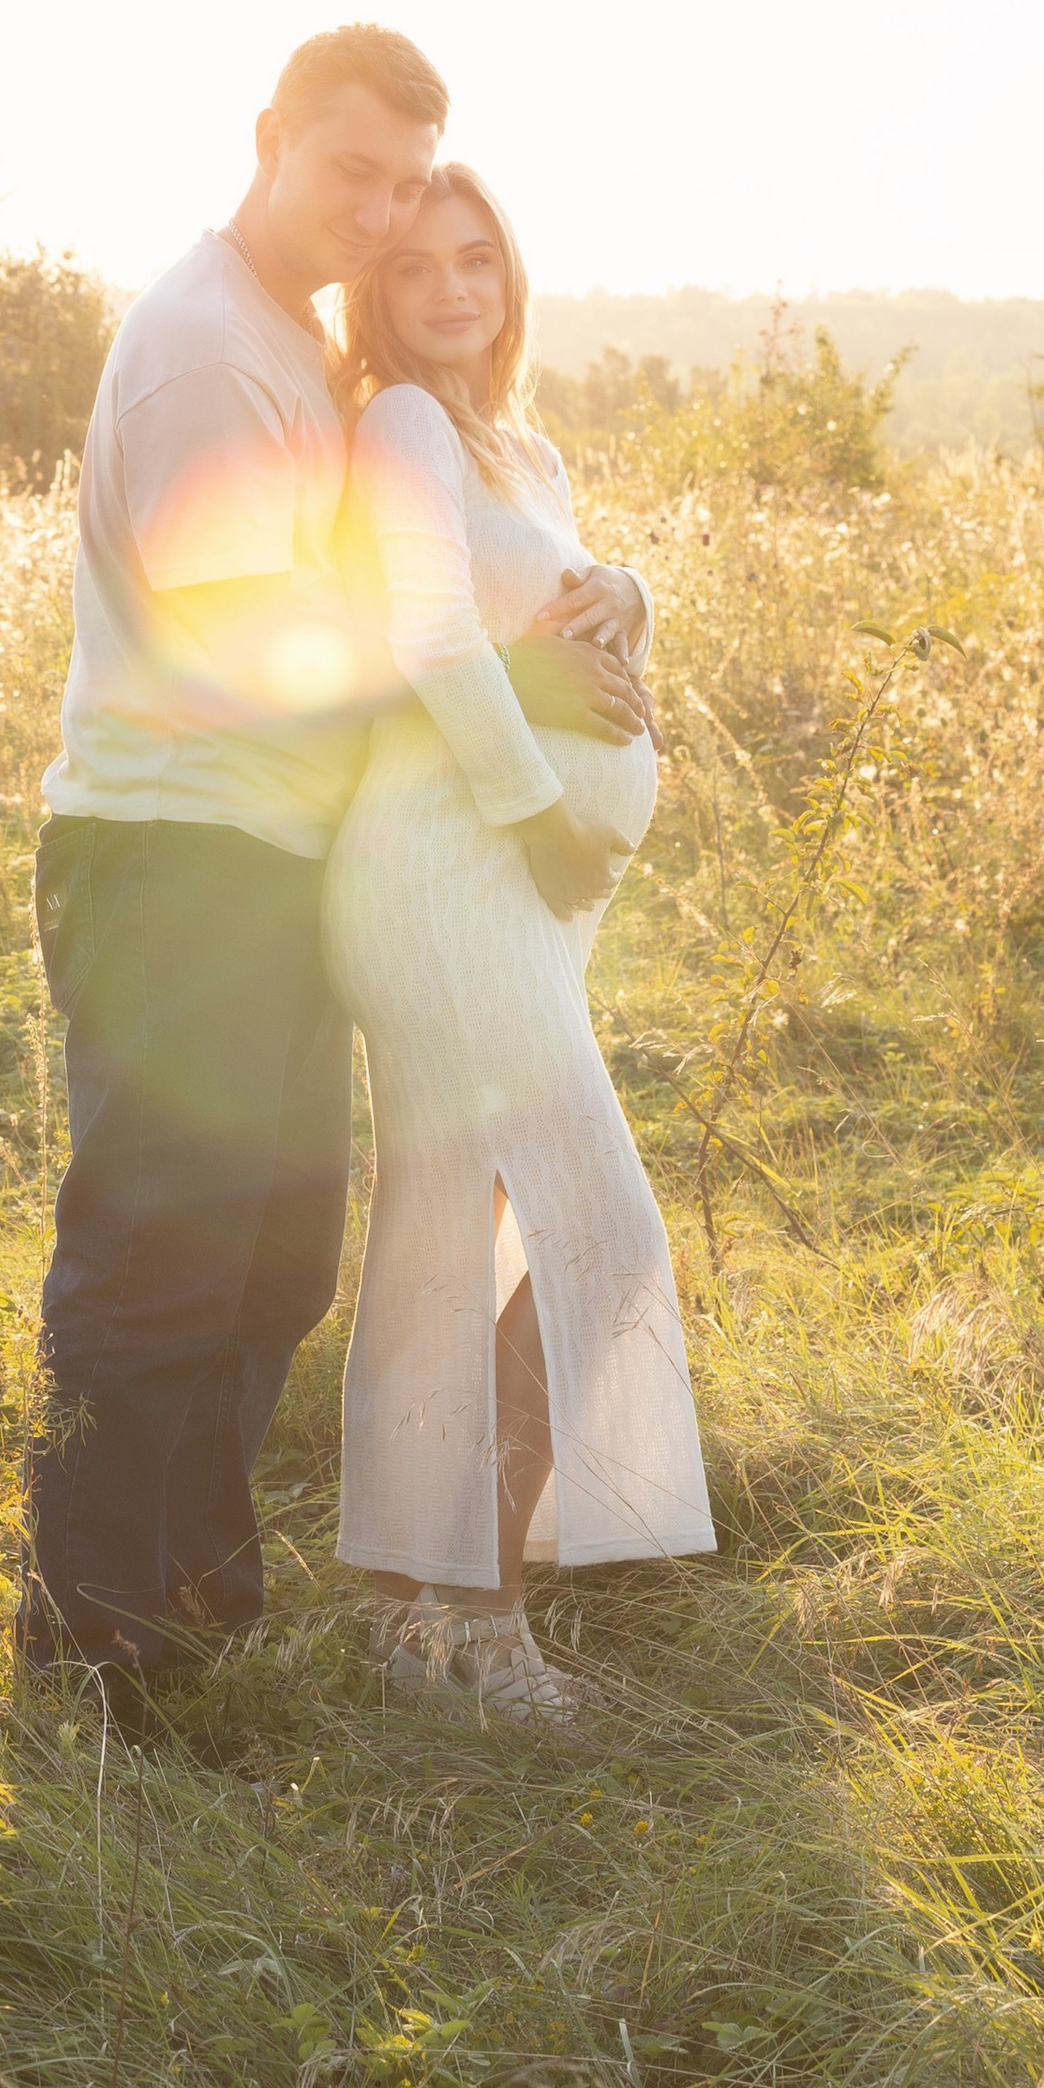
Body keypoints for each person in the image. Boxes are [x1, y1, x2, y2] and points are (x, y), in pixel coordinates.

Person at [22, 28, 655, 1715]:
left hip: (276, 861)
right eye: (353, 175)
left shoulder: (295, 343)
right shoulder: (203, 356)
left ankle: (198, 1629)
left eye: (407, 181)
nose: (381, 215)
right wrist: (502, 692)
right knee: (162, 1263)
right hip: (174, 855)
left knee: (271, 1265)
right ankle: (95, 1663)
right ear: (270, 141)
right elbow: (249, 655)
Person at [324, 164, 715, 1728]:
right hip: (445, 872)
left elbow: (549, 612)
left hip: (513, 898)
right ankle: (486, 1639)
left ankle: (417, 1620)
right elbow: (429, 635)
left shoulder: (517, 440)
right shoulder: (402, 424)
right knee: (601, 1234)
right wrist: (543, 818)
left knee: (450, 1241)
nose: (453, 291)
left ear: (513, 273)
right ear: (380, 295)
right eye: (416, 268)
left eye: (477, 259)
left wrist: (630, 585)